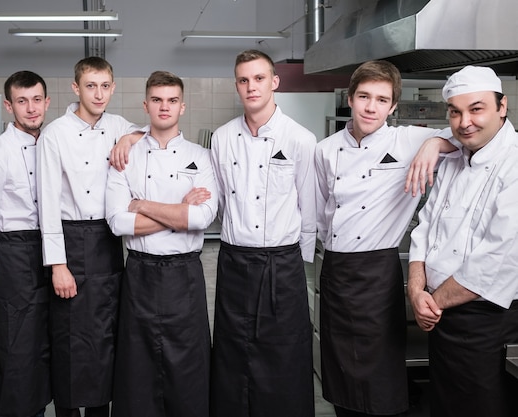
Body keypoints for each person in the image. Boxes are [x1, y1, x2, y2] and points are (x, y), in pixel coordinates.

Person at [315, 60, 455, 417]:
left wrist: (434, 143)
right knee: (340, 368)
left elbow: (467, 133)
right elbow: (321, 209)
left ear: (393, 106)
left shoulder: (408, 138)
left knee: (380, 371)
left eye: (381, 99)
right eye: (364, 96)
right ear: (351, 98)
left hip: (378, 271)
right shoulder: (326, 149)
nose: (371, 107)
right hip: (336, 269)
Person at [209, 49, 316, 417]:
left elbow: (309, 212)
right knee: (232, 352)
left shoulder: (300, 139)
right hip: (235, 262)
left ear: (274, 82)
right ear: (237, 85)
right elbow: (220, 201)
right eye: (243, 80)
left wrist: (293, 267)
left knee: (283, 355)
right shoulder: (222, 139)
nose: (251, 87)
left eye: (258, 79)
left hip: (281, 266)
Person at [408, 65, 518, 417]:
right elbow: (426, 225)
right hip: (442, 316)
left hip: (481, 318)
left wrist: (432, 302)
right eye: (455, 112)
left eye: (476, 108)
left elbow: (499, 258)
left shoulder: (513, 163)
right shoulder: (457, 156)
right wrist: (414, 289)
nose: (464, 121)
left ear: (502, 107)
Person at [106, 70, 217, 417]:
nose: (164, 107)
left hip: (185, 276)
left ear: (183, 107)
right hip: (140, 274)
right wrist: (180, 210)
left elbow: (202, 218)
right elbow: (117, 222)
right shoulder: (126, 156)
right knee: (138, 369)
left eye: (171, 101)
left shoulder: (202, 156)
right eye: (157, 100)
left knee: (188, 367)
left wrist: (143, 205)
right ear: (146, 104)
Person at [36, 56, 139, 417]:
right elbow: (47, 203)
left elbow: (150, 131)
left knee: (105, 337)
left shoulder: (117, 124)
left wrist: (130, 135)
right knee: (69, 339)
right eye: (91, 86)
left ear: (113, 87)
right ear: (75, 87)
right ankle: (67, 410)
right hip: (71, 240)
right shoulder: (55, 134)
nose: (99, 94)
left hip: (107, 243)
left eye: (105, 86)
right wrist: (58, 265)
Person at [0, 71, 51, 417]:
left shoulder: (50, 143)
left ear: (47, 102)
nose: (31, 109)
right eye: (22, 101)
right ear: (8, 106)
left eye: (36, 100)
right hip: (13, 251)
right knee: (15, 344)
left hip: (47, 247)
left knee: (42, 341)